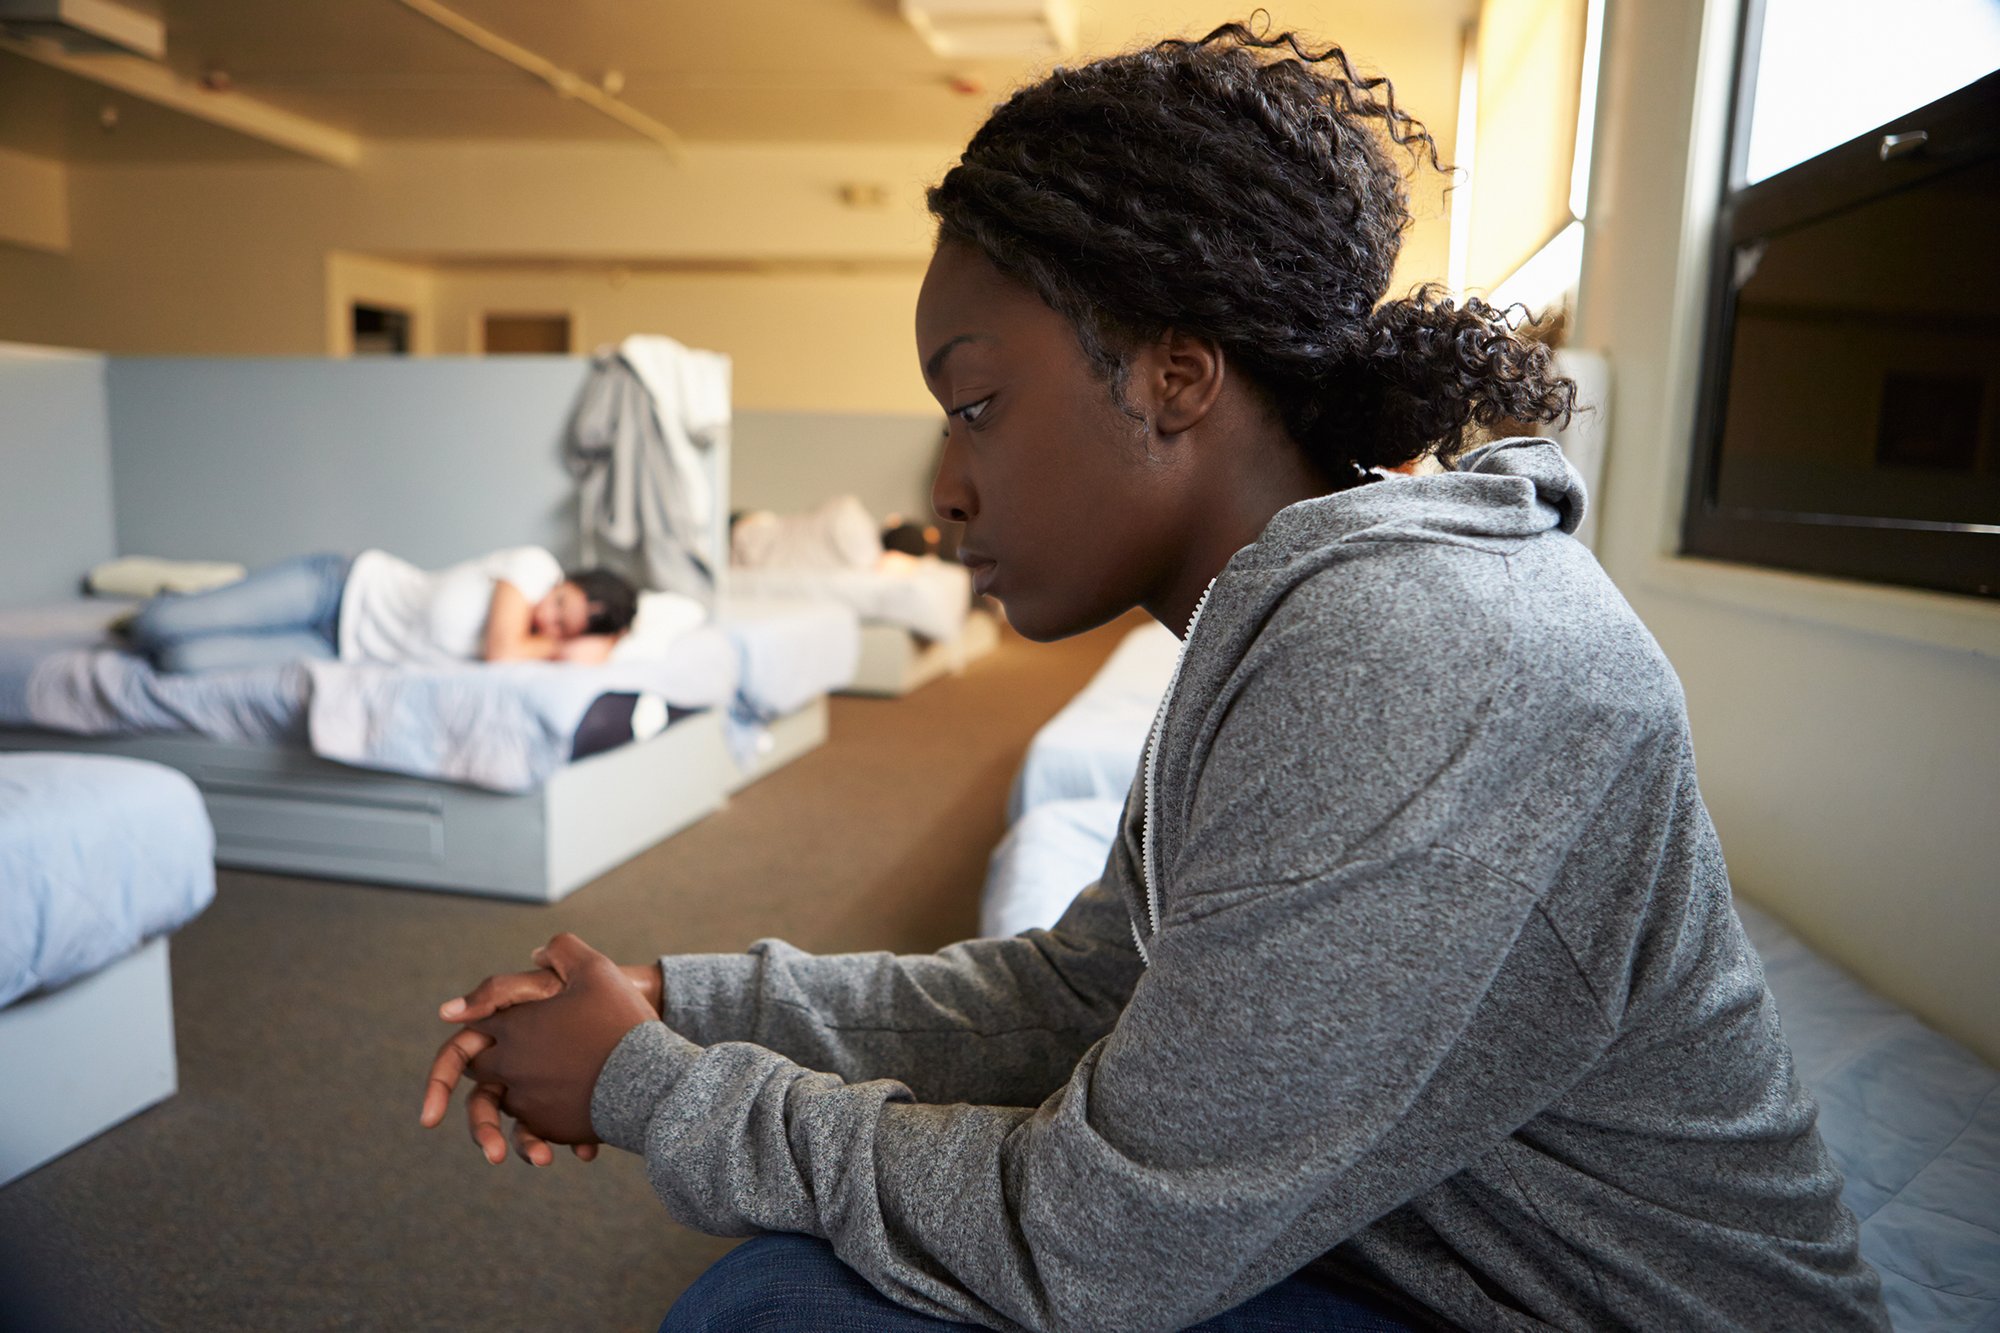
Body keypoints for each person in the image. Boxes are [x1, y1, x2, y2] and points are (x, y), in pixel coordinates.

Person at [417, 24, 1888, 1333]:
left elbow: (1093, 1246)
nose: (945, 490)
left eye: (978, 403)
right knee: (783, 1286)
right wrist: (685, 1004)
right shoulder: (1290, 619)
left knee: (779, 1309)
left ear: (1177, 375)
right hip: (1429, 1256)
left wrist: (649, 1086)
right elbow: (1082, 991)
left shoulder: (1417, 649)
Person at [125, 546, 638, 674]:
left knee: (180, 663)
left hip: (336, 647)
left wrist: (589, 646)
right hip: (337, 586)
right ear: (566, 581)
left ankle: (213, 597)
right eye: (560, 606)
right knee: (154, 624)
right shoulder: (534, 567)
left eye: (562, 628)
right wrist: (559, 645)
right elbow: (499, 652)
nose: (548, 620)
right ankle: (194, 587)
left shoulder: (539, 643)